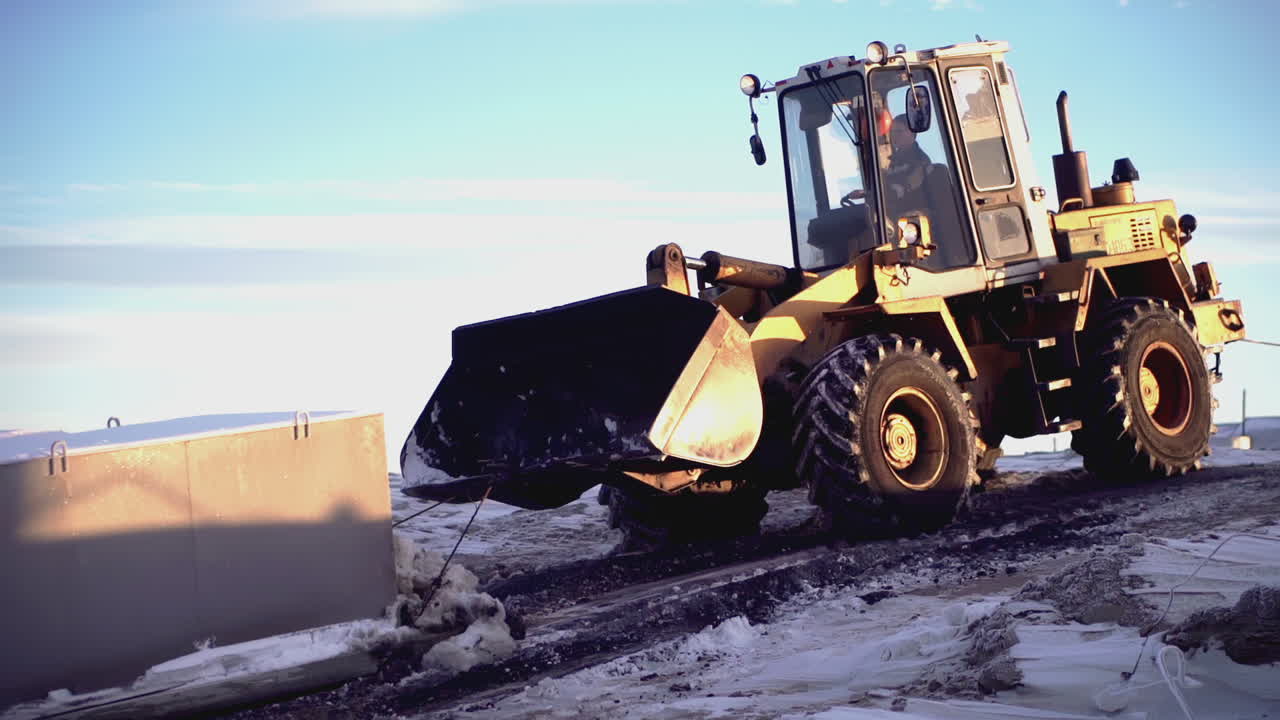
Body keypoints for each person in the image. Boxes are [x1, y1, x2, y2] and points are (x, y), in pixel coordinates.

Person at [882, 113, 932, 209]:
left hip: (913, 215)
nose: (894, 136)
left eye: (899, 131)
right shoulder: (893, 161)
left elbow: (906, 187)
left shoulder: (921, 161)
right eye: (892, 132)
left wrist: (887, 194)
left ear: (912, 132)